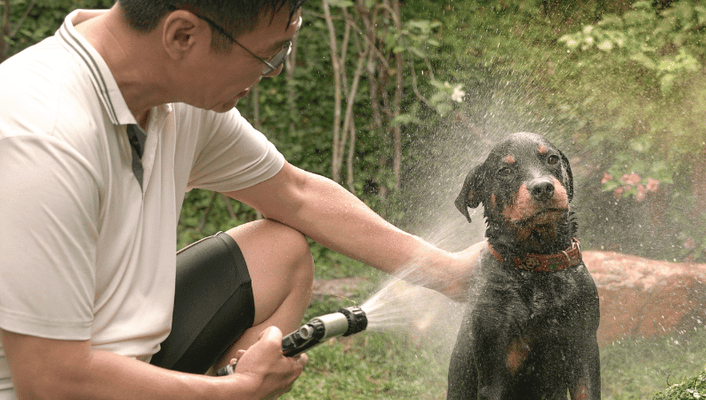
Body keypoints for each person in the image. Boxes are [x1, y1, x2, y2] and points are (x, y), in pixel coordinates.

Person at [0, 0, 481, 398]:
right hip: (50, 383)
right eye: (271, 54)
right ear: (183, 36)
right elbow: (49, 380)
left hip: (125, 358)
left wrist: (449, 273)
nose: (273, 72)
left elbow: (296, 195)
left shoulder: (175, 97)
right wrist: (236, 391)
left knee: (282, 253)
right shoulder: (43, 136)